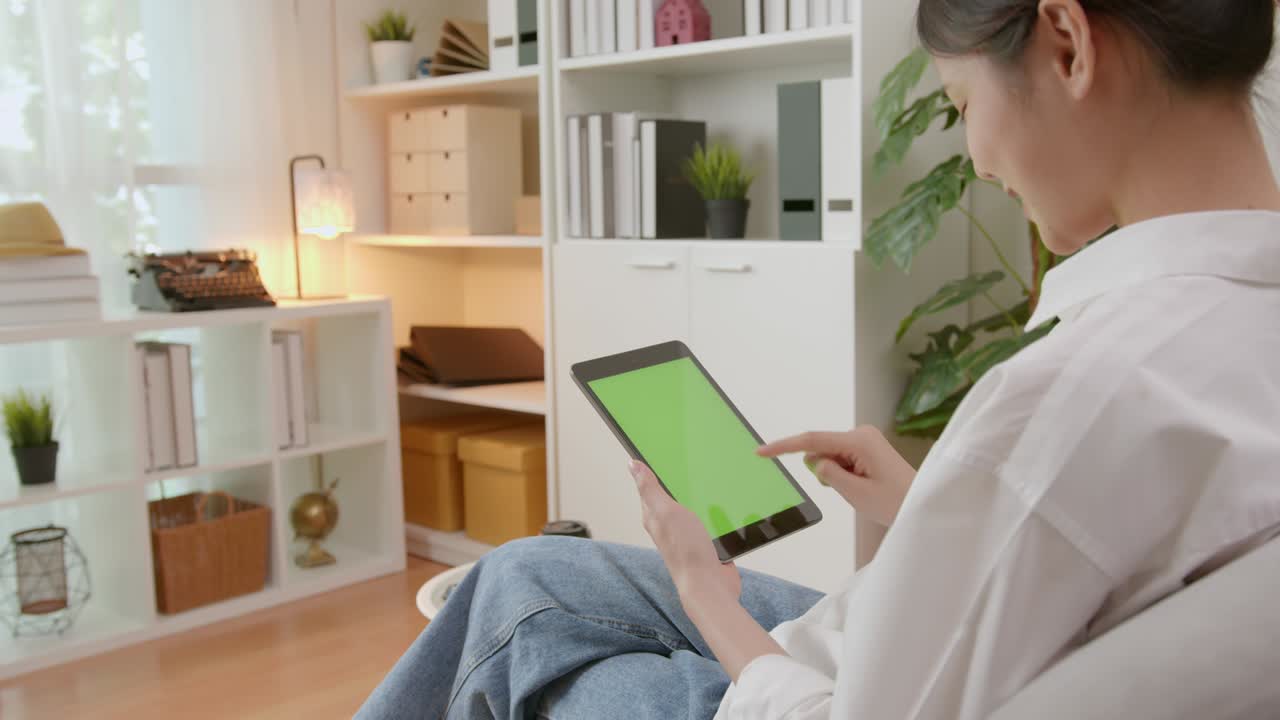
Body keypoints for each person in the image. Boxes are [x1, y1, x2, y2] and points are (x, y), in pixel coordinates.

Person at [357, 1, 1280, 717]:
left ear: (1069, 43)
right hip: (874, 644)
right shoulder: (1229, 327)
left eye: (963, 105)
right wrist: (926, 504)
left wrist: (703, 592)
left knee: (515, 605)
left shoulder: (1083, 387)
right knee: (525, 572)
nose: (979, 153)